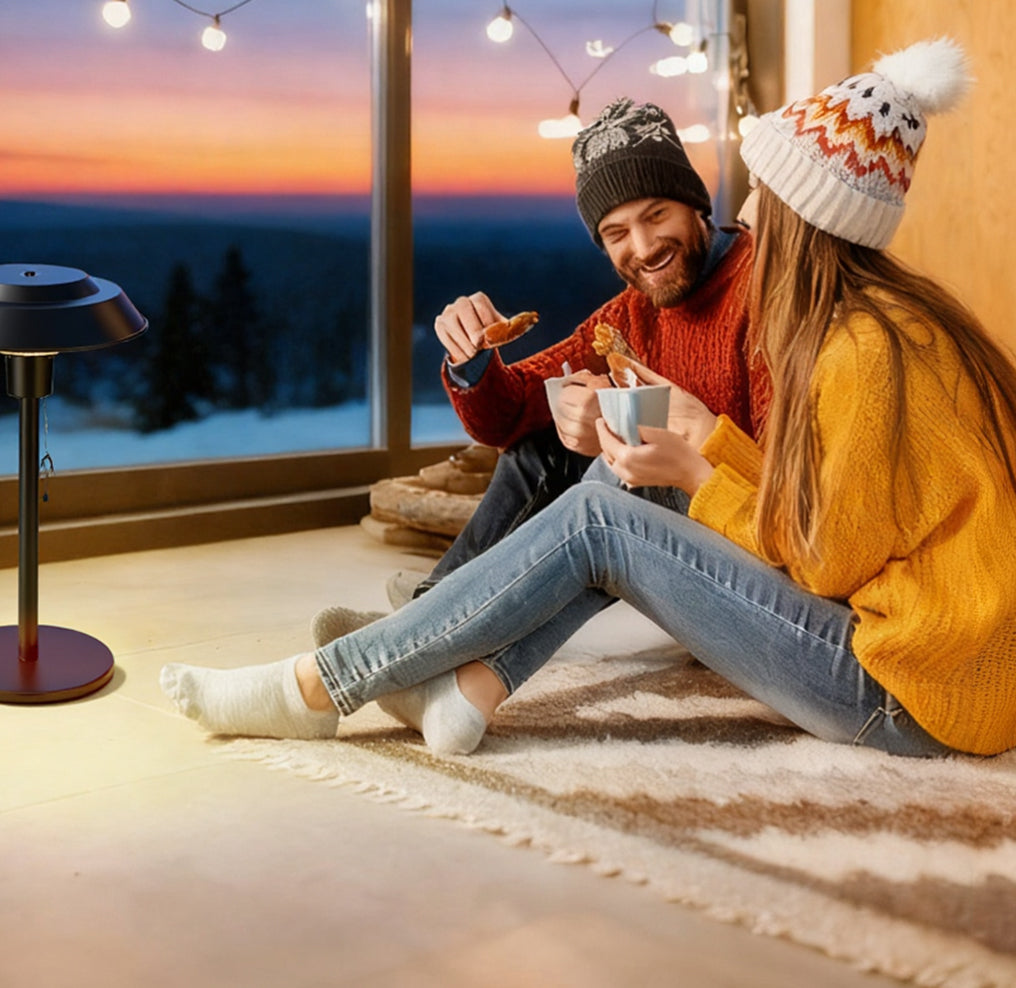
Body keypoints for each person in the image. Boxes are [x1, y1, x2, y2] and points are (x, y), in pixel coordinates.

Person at [163, 38, 1016, 760]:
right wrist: (482, 368)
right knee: (607, 486)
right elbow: (521, 413)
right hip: (918, 661)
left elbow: (826, 559)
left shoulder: (858, 347)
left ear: (798, 219)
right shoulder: (883, 322)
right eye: (616, 232)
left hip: (908, 691)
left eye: (759, 197)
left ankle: (323, 685)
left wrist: (698, 456)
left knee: (602, 514)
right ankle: (465, 685)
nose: (746, 215)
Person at [390, 96, 769, 608]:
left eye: (657, 215)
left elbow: (781, 474)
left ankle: (437, 619)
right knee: (539, 445)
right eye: (616, 234)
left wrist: (651, 434)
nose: (643, 246)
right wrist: (470, 358)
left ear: (694, 203)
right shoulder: (628, 314)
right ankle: (438, 606)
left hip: (744, 546)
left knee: (606, 465)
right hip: (664, 529)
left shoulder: (764, 286)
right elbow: (510, 415)